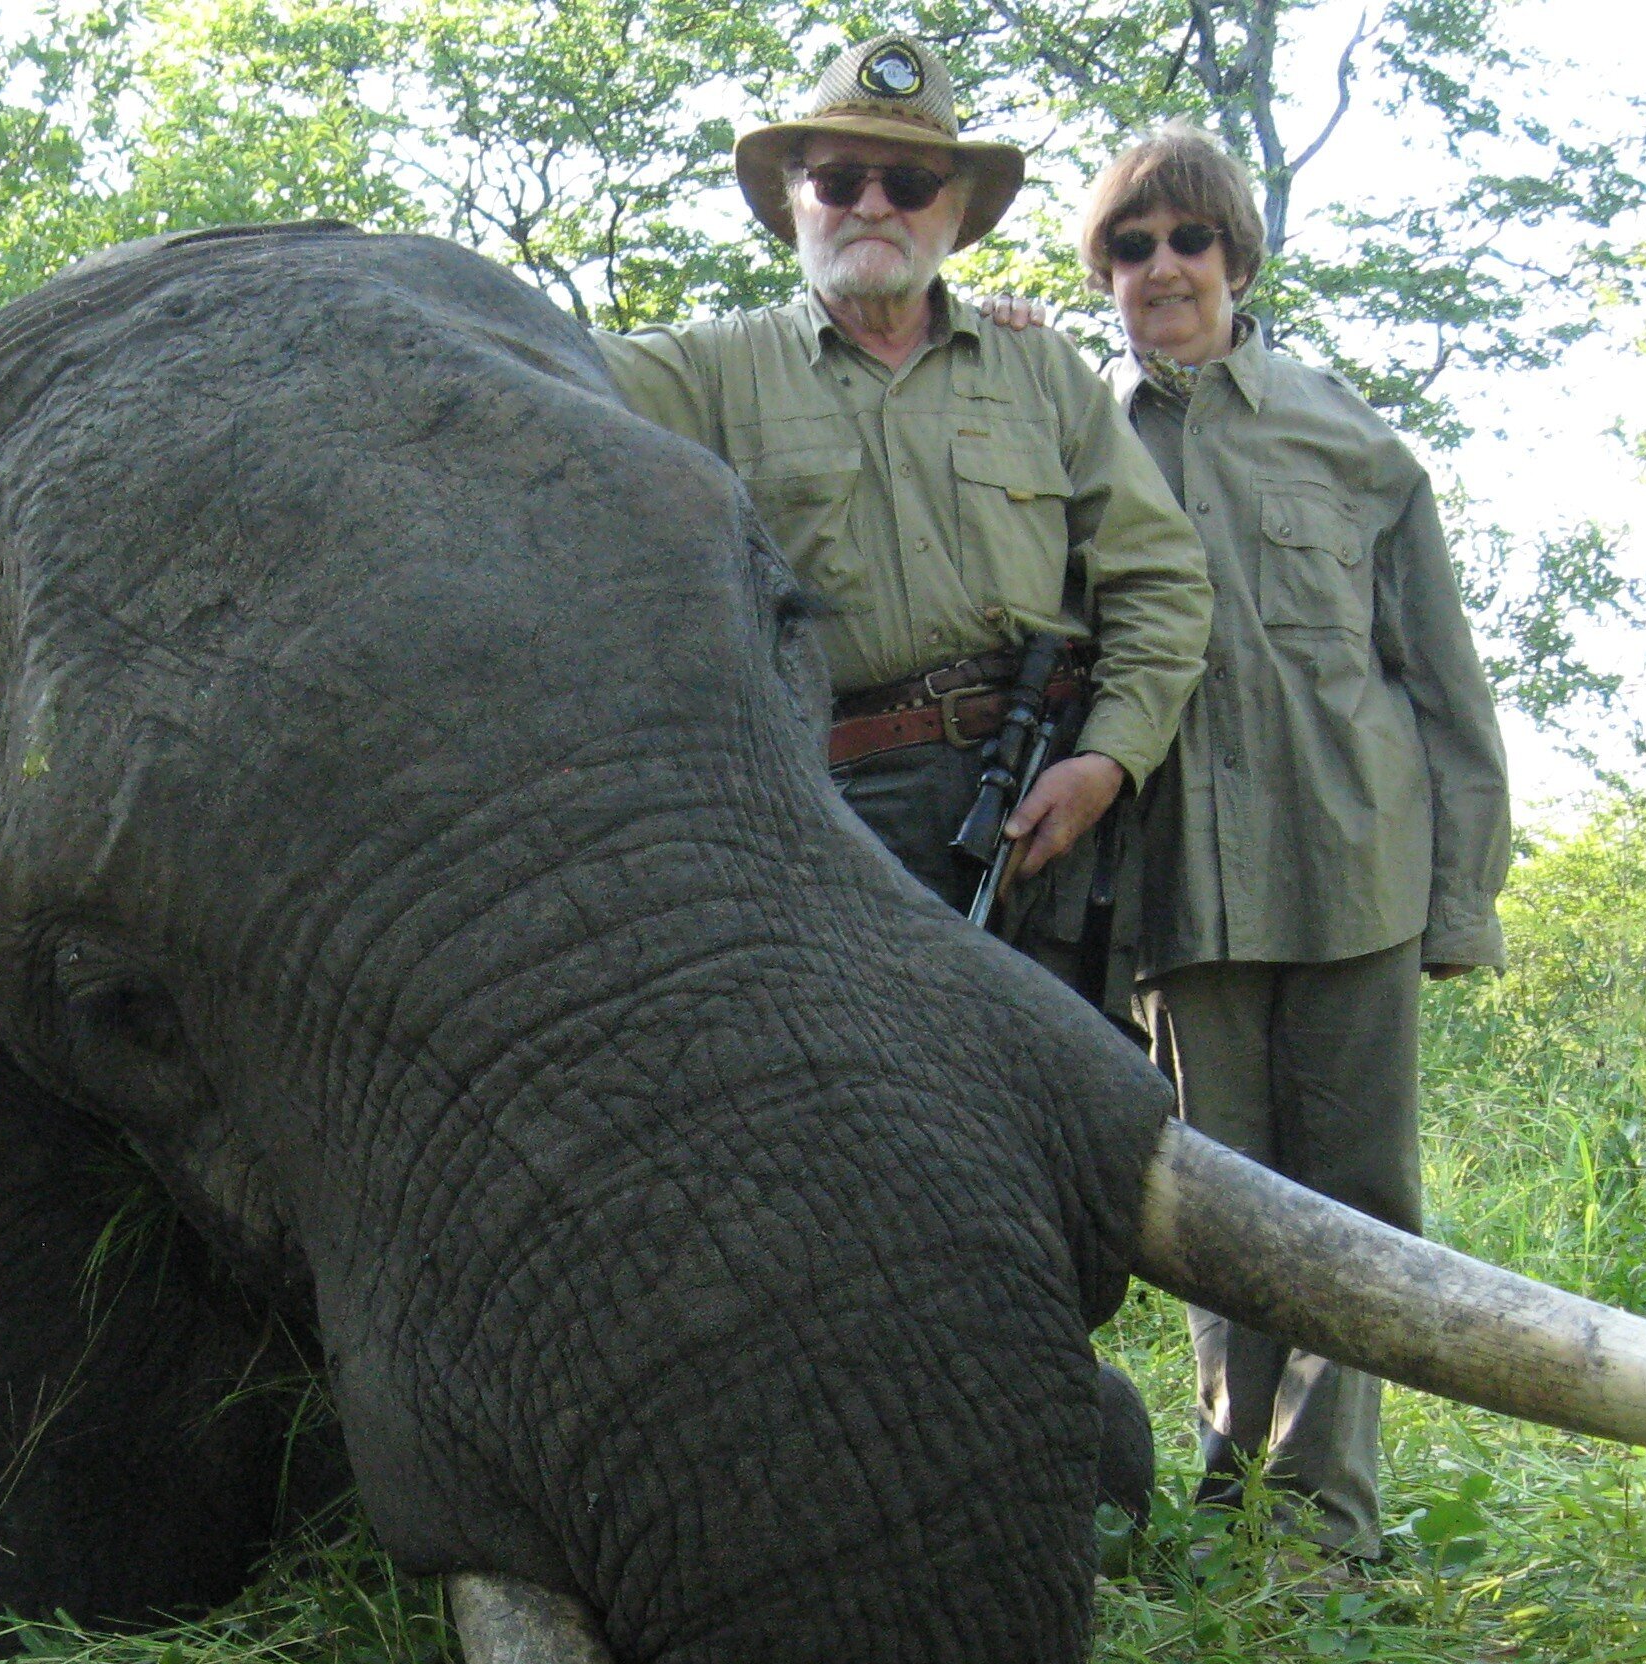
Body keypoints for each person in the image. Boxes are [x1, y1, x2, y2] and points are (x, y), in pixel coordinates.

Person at [1079, 126, 1512, 1558]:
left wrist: (1458, 902)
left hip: (1356, 876)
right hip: (1177, 894)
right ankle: (1229, 1501)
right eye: (1131, 249)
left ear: (1238, 257)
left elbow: (1446, 690)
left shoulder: (1352, 439)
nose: (1162, 269)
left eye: (1187, 241)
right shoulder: (1072, 437)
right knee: (1219, 1215)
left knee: (1363, 1207)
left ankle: (1331, 1522)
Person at [593, 33, 1210, 1015]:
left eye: (912, 182)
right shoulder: (707, 369)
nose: (873, 204)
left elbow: (1160, 578)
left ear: (954, 211)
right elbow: (521, 367)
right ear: (796, 198)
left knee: (1066, 1130)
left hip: (1039, 807)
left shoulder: (1042, 369)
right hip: (826, 824)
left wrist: (1106, 758)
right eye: (839, 180)